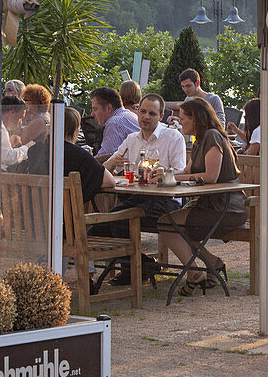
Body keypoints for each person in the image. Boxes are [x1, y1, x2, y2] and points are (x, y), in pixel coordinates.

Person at [158, 97, 247, 296]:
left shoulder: (212, 136)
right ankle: (212, 263)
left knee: (167, 223)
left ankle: (193, 272)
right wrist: (164, 173)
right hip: (211, 204)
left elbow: (210, 176)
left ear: (196, 118)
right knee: (175, 224)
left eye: (183, 118)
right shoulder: (200, 139)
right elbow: (187, 171)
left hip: (226, 206)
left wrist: (173, 176)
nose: (180, 122)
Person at [97, 93, 187, 284]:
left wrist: (165, 172)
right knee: (102, 226)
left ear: (161, 116)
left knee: (117, 220)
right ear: (137, 111)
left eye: (152, 114)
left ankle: (135, 269)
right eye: (143, 111)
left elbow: (180, 171)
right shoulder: (132, 139)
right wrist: (113, 161)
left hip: (167, 201)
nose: (146, 117)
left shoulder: (173, 137)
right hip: (137, 198)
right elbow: (105, 170)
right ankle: (141, 264)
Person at [27, 108, 115, 206]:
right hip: (66, 217)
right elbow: (109, 181)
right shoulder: (79, 154)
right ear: (76, 130)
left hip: (37, 215)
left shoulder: (34, 151)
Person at [91, 87, 140, 160]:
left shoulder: (114, 123)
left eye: (95, 109)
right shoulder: (129, 114)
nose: (92, 114)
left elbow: (105, 157)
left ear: (109, 108)